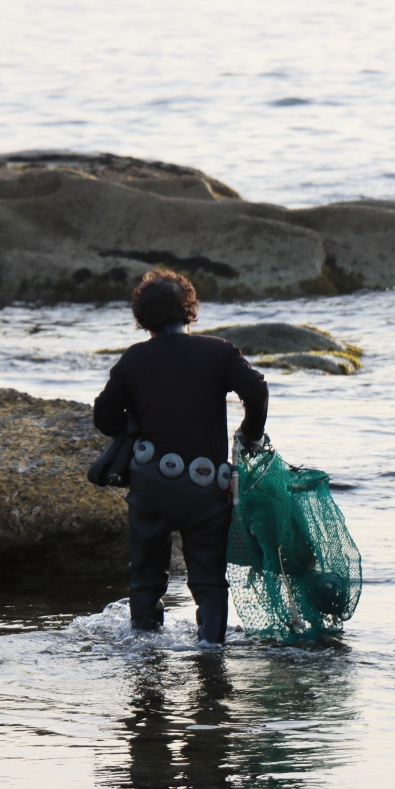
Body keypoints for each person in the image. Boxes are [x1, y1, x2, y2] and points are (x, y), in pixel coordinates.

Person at [93, 269, 268, 644]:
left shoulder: (133, 360)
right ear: (190, 310)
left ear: (142, 317)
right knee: (208, 579)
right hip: (206, 491)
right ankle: (211, 653)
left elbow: (104, 418)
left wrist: (136, 420)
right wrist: (249, 434)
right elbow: (255, 391)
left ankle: (145, 653)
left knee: (145, 578)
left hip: (150, 487)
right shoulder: (219, 351)